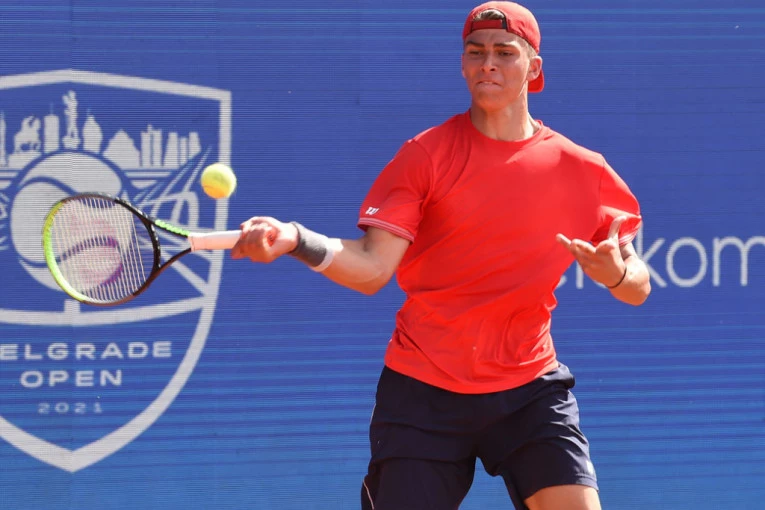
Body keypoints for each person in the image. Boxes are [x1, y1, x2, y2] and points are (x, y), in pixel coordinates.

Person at [231, 1, 651, 508]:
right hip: (423, 390)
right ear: (463, 64)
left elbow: (638, 287)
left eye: (504, 52)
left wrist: (617, 273)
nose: (488, 64)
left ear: (533, 67)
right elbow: (372, 268)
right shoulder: (426, 155)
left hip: (529, 387)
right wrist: (296, 238)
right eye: (475, 52)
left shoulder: (582, 169)